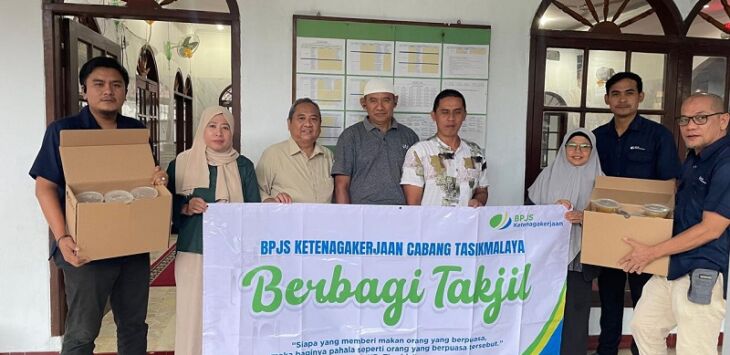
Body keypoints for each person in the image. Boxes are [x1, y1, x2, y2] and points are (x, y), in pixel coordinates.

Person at [30, 56, 167, 354]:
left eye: (116, 84)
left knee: (133, 326)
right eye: (99, 84)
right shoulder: (64, 131)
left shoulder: (134, 130)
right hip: (84, 247)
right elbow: (44, 188)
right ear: (84, 90)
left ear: (125, 92)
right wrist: (62, 238)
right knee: (82, 330)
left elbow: (146, 179)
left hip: (131, 244)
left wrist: (158, 179)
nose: (108, 90)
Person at [621, 93, 730, 355]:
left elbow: (712, 228)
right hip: (672, 263)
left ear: (724, 120)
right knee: (644, 326)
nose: (690, 126)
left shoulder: (725, 162)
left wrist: (651, 251)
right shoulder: (694, 158)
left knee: (694, 349)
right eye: (685, 119)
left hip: (702, 269)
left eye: (701, 118)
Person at [592, 71, 681, 355]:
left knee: (646, 301)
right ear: (607, 99)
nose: (622, 99)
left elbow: (669, 186)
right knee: (610, 299)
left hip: (647, 233)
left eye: (629, 93)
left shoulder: (658, 136)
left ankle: (640, 352)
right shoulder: (597, 138)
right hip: (608, 231)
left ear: (640, 97)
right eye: (615, 94)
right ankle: (607, 350)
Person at [166, 106, 261, 355]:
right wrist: (186, 206)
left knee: (231, 313)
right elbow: (165, 205)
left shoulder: (243, 166)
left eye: (225, 127)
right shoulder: (182, 163)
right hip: (194, 250)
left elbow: (254, 211)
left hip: (235, 254)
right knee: (193, 315)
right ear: (202, 129)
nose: (219, 132)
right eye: (212, 126)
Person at [528, 128, 604, 355]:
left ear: (592, 150)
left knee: (576, 312)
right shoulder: (547, 176)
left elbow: (611, 221)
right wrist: (551, 211)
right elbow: (529, 213)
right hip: (547, 256)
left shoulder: (602, 182)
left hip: (581, 258)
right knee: (543, 310)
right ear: (563, 148)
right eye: (572, 146)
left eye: (584, 146)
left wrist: (584, 217)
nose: (577, 151)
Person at [332, 78, 419, 205]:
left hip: (400, 214)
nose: (380, 107)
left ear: (395, 101)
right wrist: (346, 219)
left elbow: (415, 184)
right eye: (373, 100)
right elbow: (341, 185)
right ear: (363, 103)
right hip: (361, 214)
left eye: (386, 100)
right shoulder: (350, 137)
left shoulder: (409, 136)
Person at [401, 89, 488, 206]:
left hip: (465, 223)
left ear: (464, 115)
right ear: (434, 116)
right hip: (431, 223)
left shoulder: (475, 153)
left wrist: (478, 200)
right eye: (445, 112)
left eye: (457, 112)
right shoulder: (419, 152)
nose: (451, 118)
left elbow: (481, 190)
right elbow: (413, 203)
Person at [256, 98, 333, 203]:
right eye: (301, 118)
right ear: (289, 123)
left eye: (314, 119)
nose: (308, 124)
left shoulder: (328, 156)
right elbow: (256, 189)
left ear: (320, 124)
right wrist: (269, 200)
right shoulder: (273, 154)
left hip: (323, 218)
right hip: (287, 218)